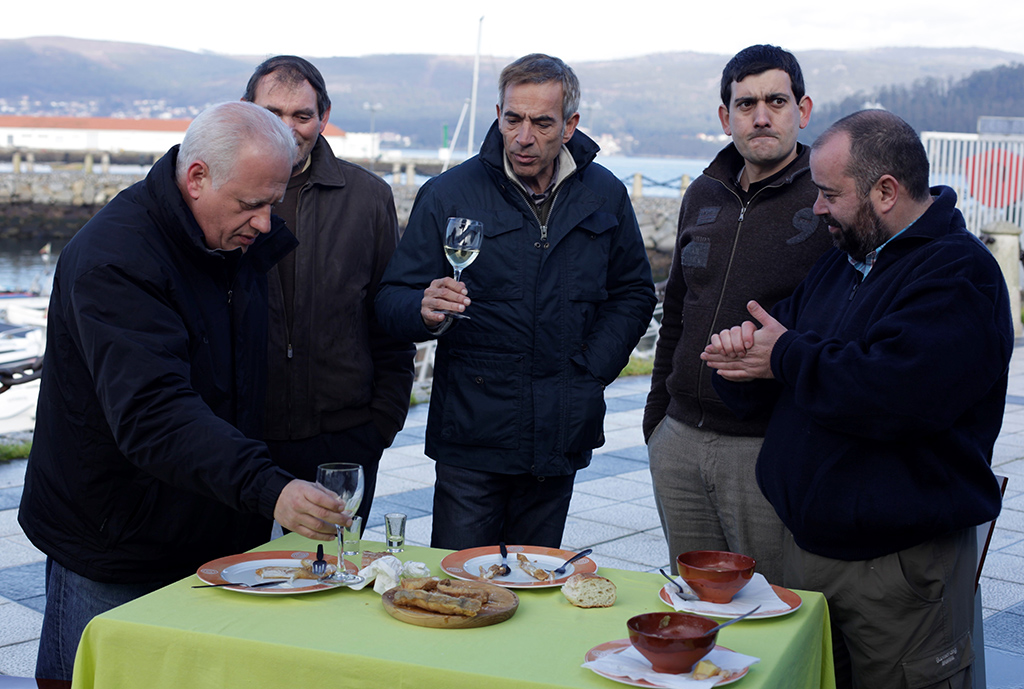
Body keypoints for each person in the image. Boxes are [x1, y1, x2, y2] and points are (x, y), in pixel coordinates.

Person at [18, 101, 352, 682]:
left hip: (212, 524)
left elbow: (246, 382)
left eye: (275, 202)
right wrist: (267, 486)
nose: (267, 224)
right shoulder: (114, 258)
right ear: (197, 178)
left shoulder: (234, 241)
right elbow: (154, 414)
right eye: (251, 204)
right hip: (117, 538)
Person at [702, 109, 1012, 689]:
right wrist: (740, 364)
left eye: (828, 193)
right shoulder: (839, 267)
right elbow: (784, 360)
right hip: (808, 551)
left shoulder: (960, 274)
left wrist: (785, 356)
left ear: (886, 191)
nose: (816, 207)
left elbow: (896, 395)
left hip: (895, 567)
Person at [375, 53, 656, 550]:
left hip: (562, 431)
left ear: (570, 125)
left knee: (536, 590)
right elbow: (390, 300)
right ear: (498, 114)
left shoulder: (606, 194)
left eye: (542, 122)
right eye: (513, 119)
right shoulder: (447, 194)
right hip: (472, 436)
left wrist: (591, 370)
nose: (524, 136)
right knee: (461, 592)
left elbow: (634, 292)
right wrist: (423, 307)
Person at [643, 45, 832, 582]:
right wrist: (656, 421)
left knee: (772, 607)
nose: (762, 116)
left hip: (767, 445)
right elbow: (675, 310)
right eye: (745, 104)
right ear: (726, 118)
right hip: (679, 439)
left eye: (776, 100)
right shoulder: (702, 194)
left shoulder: (828, 199)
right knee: (699, 606)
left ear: (804, 109)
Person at [242, 56, 415, 527]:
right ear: (245, 111)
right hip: (243, 437)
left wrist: (379, 426)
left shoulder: (368, 197)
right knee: (243, 584)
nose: (287, 129)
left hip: (344, 437)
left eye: (302, 115)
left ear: (324, 116)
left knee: (334, 578)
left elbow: (388, 317)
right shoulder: (223, 194)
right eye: (272, 114)